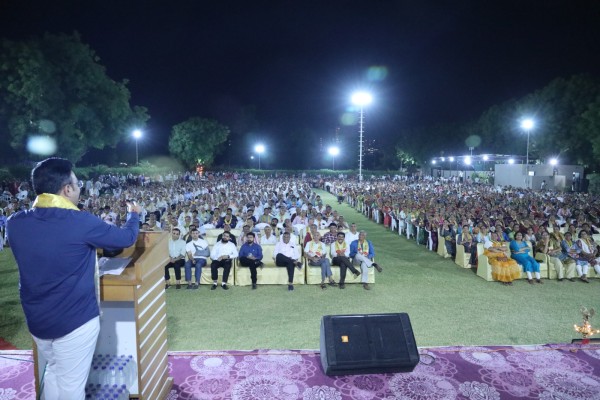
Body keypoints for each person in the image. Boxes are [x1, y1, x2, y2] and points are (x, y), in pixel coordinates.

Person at [7, 157, 140, 399]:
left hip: (37, 320)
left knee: (55, 371)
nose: (80, 189)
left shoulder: (15, 223)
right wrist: (134, 216)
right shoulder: (80, 222)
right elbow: (125, 239)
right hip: (75, 323)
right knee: (71, 388)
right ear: (67, 189)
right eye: (77, 184)